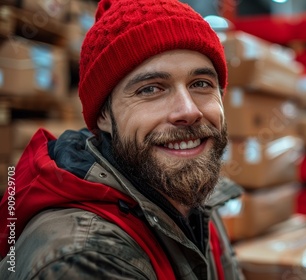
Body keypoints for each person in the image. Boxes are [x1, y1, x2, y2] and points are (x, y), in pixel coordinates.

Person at [0, 0, 243, 279]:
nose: (188, 111)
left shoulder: (192, 197)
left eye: (201, 84)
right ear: (103, 117)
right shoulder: (86, 258)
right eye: (151, 89)